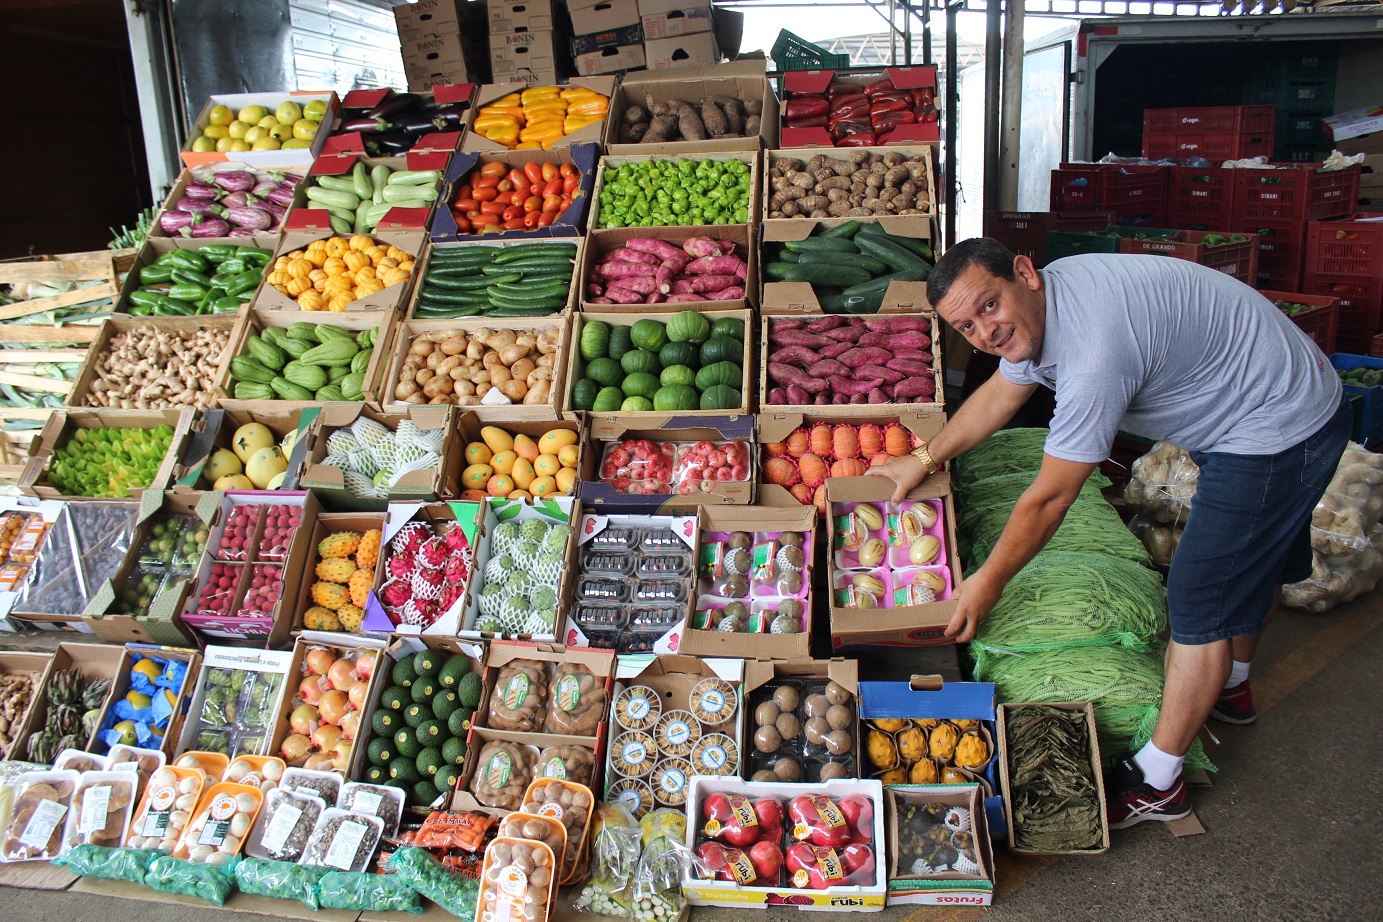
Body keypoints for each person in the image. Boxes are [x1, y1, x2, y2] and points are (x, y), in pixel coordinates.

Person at [868, 238, 1350, 829]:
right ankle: (1234, 687)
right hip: (1260, 403)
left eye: (989, 307)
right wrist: (925, 457)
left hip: (1278, 424)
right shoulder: (1046, 303)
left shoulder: (1094, 351)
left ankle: (1159, 781)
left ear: (1025, 272)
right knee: (1249, 560)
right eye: (966, 326)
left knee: (1199, 596)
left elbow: (1050, 498)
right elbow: (1003, 388)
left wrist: (986, 583)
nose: (984, 332)